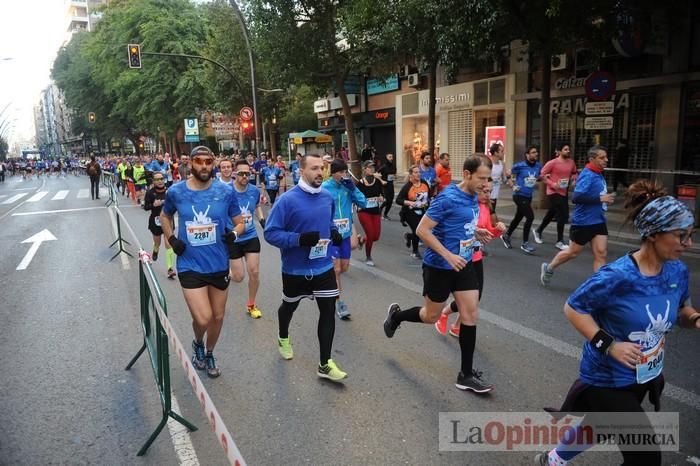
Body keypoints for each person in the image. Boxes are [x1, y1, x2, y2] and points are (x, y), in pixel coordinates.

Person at [535, 180, 698, 466]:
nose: (689, 243)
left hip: (642, 374)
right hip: (606, 377)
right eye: (681, 235)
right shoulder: (617, 276)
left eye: (691, 235)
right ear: (653, 234)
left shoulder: (677, 271)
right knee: (646, 458)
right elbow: (573, 308)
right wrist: (610, 346)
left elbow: (683, 311)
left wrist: (695, 318)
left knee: (601, 424)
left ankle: (552, 460)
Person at [384, 155, 495, 393]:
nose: (486, 184)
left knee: (470, 314)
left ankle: (465, 375)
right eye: (482, 178)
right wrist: (447, 254)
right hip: (439, 266)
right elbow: (423, 230)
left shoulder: (473, 196)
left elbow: (458, 224)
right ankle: (397, 317)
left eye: (488, 179)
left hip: (463, 263)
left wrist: (476, 232)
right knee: (431, 316)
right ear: (467, 174)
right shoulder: (447, 198)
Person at [160, 146, 246, 378]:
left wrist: (234, 234)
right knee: (203, 317)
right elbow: (164, 216)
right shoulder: (176, 192)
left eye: (209, 161)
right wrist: (171, 239)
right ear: (190, 164)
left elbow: (240, 222)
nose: (204, 166)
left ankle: (207, 352)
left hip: (218, 263)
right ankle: (198, 340)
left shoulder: (225, 192)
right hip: (190, 264)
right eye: (199, 161)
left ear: (214, 163)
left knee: (218, 317)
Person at [263, 153, 348, 382]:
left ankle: (325, 364)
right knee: (289, 307)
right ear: (301, 171)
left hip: (322, 267)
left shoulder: (327, 197)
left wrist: (333, 232)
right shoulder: (287, 200)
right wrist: (298, 240)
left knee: (328, 310)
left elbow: (327, 223)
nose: (320, 172)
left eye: (322, 168)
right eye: (314, 168)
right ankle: (283, 336)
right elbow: (270, 233)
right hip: (295, 269)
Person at [435, 181, 506, 337]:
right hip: (462, 257)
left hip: (477, 256)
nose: (488, 194)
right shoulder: (466, 206)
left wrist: (497, 230)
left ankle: (455, 325)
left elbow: (486, 236)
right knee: (467, 298)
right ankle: (444, 313)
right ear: (476, 190)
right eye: (485, 191)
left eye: (490, 191)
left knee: (476, 297)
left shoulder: (487, 207)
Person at [540, 145, 615, 286]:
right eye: (602, 157)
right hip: (583, 222)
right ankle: (549, 268)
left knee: (601, 253)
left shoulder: (598, 173)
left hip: (598, 220)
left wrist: (604, 199)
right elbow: (577, 197)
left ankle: (599, 286)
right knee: (573, 252)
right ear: (592, 159)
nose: (606, 160)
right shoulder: (588, 174)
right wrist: (600, 199)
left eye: (606, 157)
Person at [321, 159, 367, 319]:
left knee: (345, 268)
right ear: (332, 173)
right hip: (331, 235)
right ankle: (339, 303)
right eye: (340, 172)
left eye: (345, 172)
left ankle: (328, 286)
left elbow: (364, 203)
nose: (343, 175)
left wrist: (353, 189)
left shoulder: (348, 187)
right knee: (337, 270)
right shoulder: (325, 188)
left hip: (346, 234)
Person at [228, 159, 266, 319]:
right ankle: (227, 273)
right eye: (241, 173)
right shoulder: (227, 192)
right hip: (234, 238)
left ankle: (251, 304)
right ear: (235, 174)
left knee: (255, 272)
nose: (245, 176)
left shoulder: (254, 191)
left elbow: (257, 206)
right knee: (238, 277)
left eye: (247, 174)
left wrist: (262, 220)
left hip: (250, 235)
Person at [532, 142, 578, 251]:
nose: (568, 151)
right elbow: (541, 175)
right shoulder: (552, 163)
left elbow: (575, 173)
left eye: (568, 149)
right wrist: (553, 184)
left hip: (563, 191)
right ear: (559, 151)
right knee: (562, 214)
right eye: (565, 149)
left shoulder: (571, 162)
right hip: (553, 192)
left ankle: (538, 230)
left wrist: (574, 180)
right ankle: (559, 241)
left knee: (552, 212)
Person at [501, 145, 542, 254]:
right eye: (533, 152)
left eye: (536, 152)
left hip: (528, 196)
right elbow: (508, 174)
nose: (536, 154)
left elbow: (540, 177)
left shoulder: (538, 166)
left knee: (518, 217)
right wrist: (512, 185)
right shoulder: (520, 166)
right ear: (527, 155)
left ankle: (507, 235)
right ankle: (525, 243)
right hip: (519, 195)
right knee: (530, 216)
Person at [144, 172, 176, 279]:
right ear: (153, 181)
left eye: (161, 178)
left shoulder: (169, 191)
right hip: (156, 220)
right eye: (157, 179)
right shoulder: (150, 192)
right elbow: (146, 207)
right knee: (157, 242)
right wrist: (153, 204)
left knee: (169, 243)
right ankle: (156, 249)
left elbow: (176, 204)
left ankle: (170, 268)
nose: (160, 181)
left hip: (168, 219)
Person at [396, 165, 431, 259]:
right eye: (416, 172)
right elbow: (398, 200)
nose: (418, 174)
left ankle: (409, 236)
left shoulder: (424, 183)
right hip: (409, 212)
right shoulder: (407, 186)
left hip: (423, 210)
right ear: (411, 175)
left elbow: (429, 195)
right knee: (417, 230)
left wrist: (429, 203)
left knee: (422, 231)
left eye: (419, 172)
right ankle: (415, 252)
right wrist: (410, 202)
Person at [356, 160, 386, 266]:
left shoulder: (377, 181)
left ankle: (361, 240)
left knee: (376, 237)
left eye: (373, 167)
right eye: (369, 167)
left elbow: (382, 194)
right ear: (364, 169)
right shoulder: (360, 183)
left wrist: (381, 197)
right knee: (370, 234)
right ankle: (368, 257)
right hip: (364, 212)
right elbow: (355, 197)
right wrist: (362, 202)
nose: (372, 169)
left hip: (375, 211)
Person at [488, 143, 507, 214]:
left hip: (495, 194)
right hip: (486, 195)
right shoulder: (488, 163)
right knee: (490, 214)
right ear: (496, 153)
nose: (503, 153)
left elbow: (505, 180)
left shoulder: (502, 164)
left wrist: (507, 176)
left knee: (491, 214)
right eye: (501, 151)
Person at [379, 153, 397, 220]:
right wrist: (381, 180)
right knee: (387, 200)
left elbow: (394, 174)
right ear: (387, 157)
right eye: (390, 157)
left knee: (391, 200)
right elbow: (376, 174)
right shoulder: (384, 166)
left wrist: (395, 177)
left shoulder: (393, 166)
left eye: (392, 157)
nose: (391, 158)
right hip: (385, 186)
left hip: (391, 185)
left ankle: (385, 214)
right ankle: (380, 209)